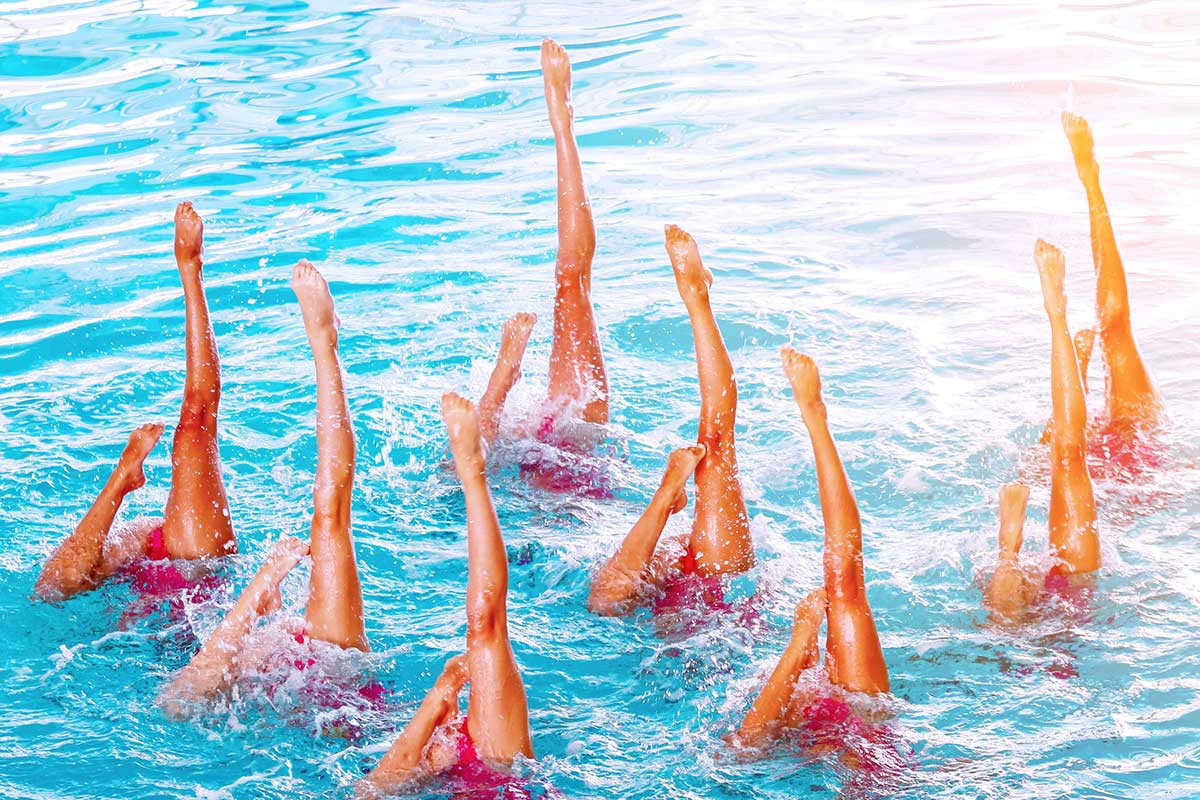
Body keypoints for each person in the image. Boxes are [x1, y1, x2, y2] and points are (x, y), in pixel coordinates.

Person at [159, 259, 371, 715]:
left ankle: (324, 346)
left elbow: (177, 703)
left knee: (332, 511)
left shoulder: (248, 659)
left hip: (339, 680)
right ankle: (325, 347)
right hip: (337, 670)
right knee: (330, 515)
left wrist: (265, 584)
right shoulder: (241, 664)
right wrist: (263, 583)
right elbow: (177, 704)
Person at [35, 202, 236, 603]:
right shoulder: (144, 539)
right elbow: (51, 592)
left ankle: (190, 270)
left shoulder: (155, 539)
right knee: (53, 590)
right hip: (182, 574)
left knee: (195, 425)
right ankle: (121, 480)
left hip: (197, 572)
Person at [359, 394, 534, 797]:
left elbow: (369, 792)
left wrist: (441, 696)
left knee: (485, 626)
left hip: (482, 769)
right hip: (499, 770)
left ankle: (473, 474)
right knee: (486, 627)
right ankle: (472, 475)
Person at [731, 349, 890, 756]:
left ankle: (799, 648)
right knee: (845, 589)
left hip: (840, 731)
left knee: (845, 586)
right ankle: (797, 651)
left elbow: (741, 751)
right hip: (863, 727)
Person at [984, 241, 1100, 624]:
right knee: (1069, 455)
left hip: (1049, 608)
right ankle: (1056, 315)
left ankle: (1008, 549)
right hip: (1075, 588)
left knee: (1006, 629)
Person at [1061, 112, 1163, 466]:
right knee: (1116, 329)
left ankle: (1079, 379)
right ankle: (1091, 181)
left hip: (1093, 456)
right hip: (1139, 432)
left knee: (1065, 446)